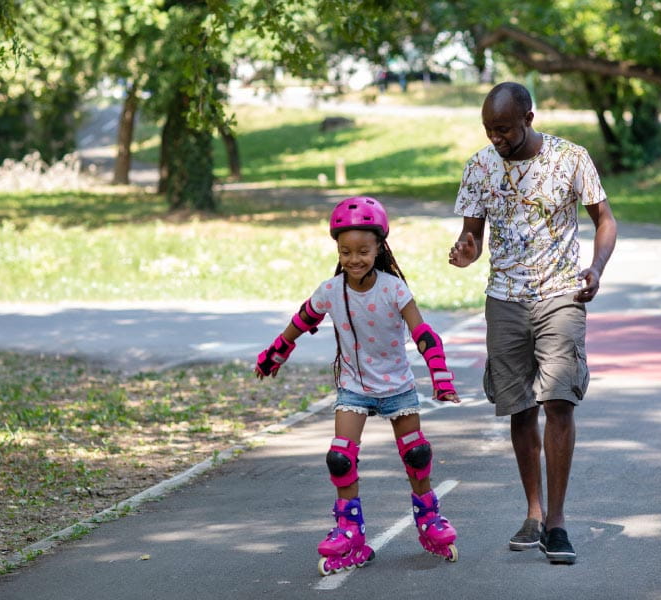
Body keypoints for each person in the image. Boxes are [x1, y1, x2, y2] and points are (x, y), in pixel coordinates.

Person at [449, 81, 617, 564]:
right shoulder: (480, 166)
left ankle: (558, 524)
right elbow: (471, 237)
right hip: (503, 299)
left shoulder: (570, 158)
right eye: (488, 130)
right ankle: (533, 513)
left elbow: (604, 218)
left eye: (503, 129)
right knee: (519, 408)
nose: (496, 138)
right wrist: (465, 251)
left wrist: (597, 268)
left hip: (561, 294)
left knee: (559, 401)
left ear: (529, 117)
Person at [255, 196, 461, 576]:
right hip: (354, 385)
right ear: (337, 250)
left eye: (363, 251)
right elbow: (302, 320)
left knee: (416, 456)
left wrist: (440, 376)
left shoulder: (394, 289)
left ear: (379, 247)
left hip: (397, 386)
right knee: (340, 458)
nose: (354, 259)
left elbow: (424, 334)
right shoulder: (332, 290)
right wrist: (276, 352)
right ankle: (350, 531)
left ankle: (429, 519)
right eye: (346, 251)